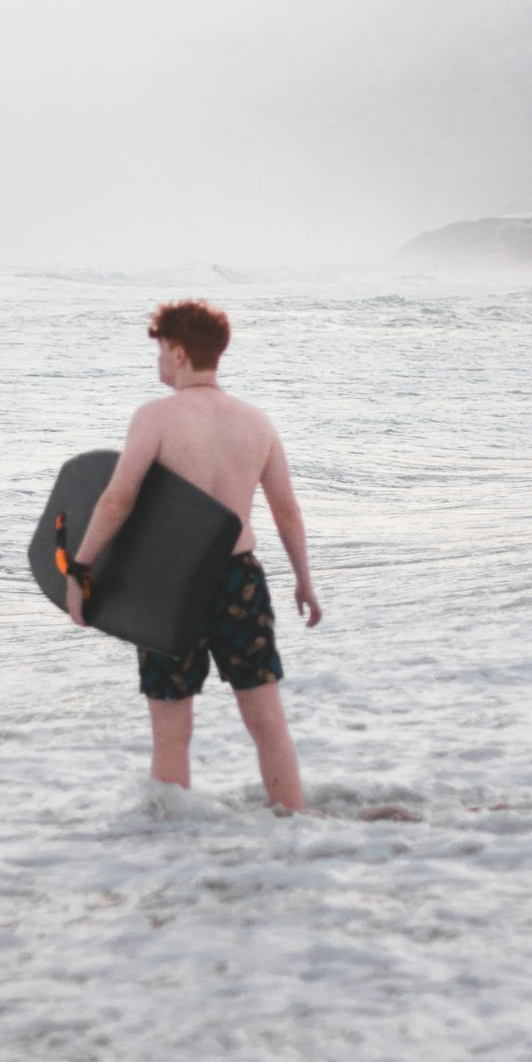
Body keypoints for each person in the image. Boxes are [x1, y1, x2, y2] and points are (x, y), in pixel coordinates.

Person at [65, 299, 321, 813]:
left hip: (170, 587)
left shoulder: (155, 417)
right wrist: (303, 580)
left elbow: (118, 498)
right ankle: (298, 828)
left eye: (161, 351)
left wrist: (80, 567)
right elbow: (286, 510)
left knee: (171, 729)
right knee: (267, 722)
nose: (158, 361)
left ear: (179, 353)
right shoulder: (256, 422)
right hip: (240, 580)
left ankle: (172, 850)